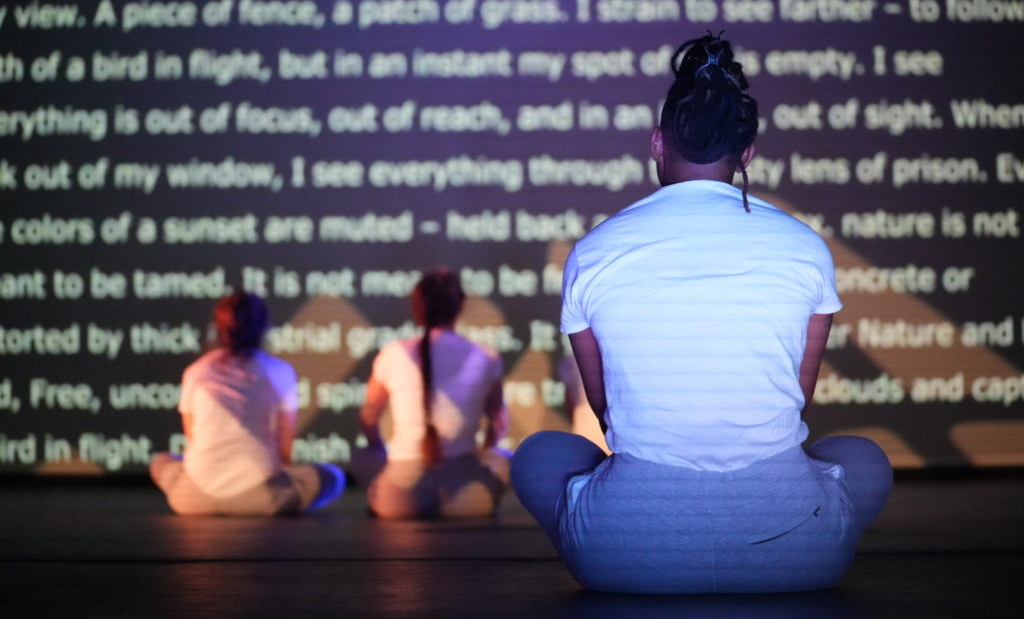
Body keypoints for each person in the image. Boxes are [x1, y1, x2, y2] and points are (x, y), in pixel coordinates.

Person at [511, 33, 892, 593]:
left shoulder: (594, 250)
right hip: (795, 555)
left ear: (657, 143)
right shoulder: (804, 246)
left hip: (629, 556)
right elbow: (797, 394)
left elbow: (606, 409)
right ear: (748, 154)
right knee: (862, 460)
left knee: (541, 456)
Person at [150, 291, 345, 516]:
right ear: (264, 327)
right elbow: (284, 447)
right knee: (334, 476)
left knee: (162, 461)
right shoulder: (279, 371)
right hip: (260, 498)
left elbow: (192, 435)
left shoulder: (196, 372)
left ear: (218, 328)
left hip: (193, 500)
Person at [352, 268, 508, 519]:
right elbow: (498, 425)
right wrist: (478, 460)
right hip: (469, 498)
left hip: (400, 500)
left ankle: (386, 491)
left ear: (417, 307)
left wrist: (386, 459)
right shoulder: (486, 355)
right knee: (503, 457)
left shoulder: (393, 353)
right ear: (461, 306)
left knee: (362, 455)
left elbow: (368, 421)